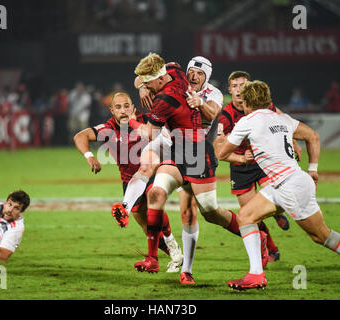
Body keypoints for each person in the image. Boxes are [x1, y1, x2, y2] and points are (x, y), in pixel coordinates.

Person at [215, 80, 340, 293]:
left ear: (246, 102)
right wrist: (313, 170)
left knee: (321, 236)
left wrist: (241, 157)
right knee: (245, 217)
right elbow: (313, 136)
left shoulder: (247, 121)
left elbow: (221, 153)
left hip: (290, 186)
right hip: (284, 183)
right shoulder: (282, 118)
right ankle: (256, 274)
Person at [112, 56, 224, 284]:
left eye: (200, 74)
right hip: (167, 140)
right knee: (147, 170)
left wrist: (199, 103)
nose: (194, 76)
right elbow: (140, 77)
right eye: (192, 71)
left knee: (190, 211)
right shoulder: (175, 74)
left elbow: (212, 114)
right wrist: (143, 86)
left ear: (207, 78)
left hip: (193, 149)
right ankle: (125, 206)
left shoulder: (213, 94)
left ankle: (187, 269)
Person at [73, 92, 183, 273]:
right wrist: (90, 156)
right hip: (130, 181)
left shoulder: (147, 120)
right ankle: (168, 254)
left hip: (154, 172)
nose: (123, 111)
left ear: (133, 107)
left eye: (126, 106)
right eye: (118, 107)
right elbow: (80, 136)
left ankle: (168, 245)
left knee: (153, 204)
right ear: (111, 110)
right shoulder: (108, 128)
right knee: (147, 226)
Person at [216, 71, 295, 264]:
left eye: (242, 85)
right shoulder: (225, 116)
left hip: (262, 163)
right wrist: (241, 158)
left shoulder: (263, 106)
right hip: (240, 168)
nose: (239, 90)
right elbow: (219, 149)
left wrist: (296, 143)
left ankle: (279, 213)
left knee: (276, 199)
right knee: (252, 215)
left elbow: (283, 121)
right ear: (229, 90)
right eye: (234, 86)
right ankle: (272, 248)